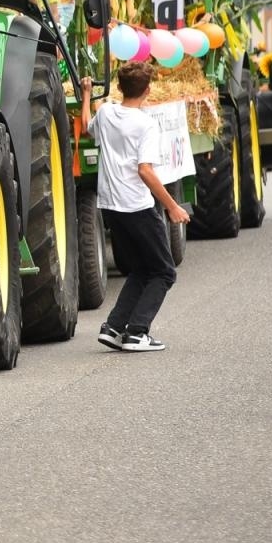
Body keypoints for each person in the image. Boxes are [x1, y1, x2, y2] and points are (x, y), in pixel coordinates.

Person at [79, 62, 189, 352]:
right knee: (165, 272)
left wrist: (87, 94)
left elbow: (86, 129)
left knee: (142, 268)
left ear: (119, 87)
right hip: (137, 207)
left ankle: (114, 328)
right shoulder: (146, 125)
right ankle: (138, 332)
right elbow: (145, 171)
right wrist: (172, 207)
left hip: (111, 207)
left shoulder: (106, 112)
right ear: (148, 91)